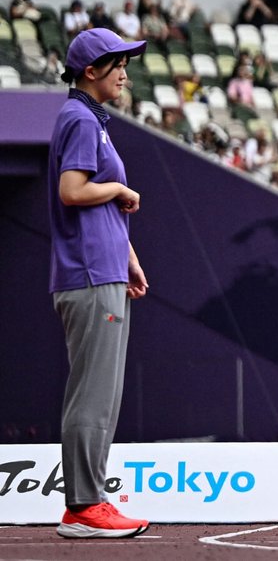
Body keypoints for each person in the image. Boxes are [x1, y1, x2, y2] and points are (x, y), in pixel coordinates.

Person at [49, 28, 152, 538]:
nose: (125, 73)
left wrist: (128, 257)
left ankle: (90, 502)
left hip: (104, 268)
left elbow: (99, 208)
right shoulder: (79, 118)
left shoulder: (90, 118)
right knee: (92, 394)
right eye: (119, 64)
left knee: (104, 394)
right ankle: (84, 507)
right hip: (89, 273)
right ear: (91, 71)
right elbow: (72, 191)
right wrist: (117, 188)